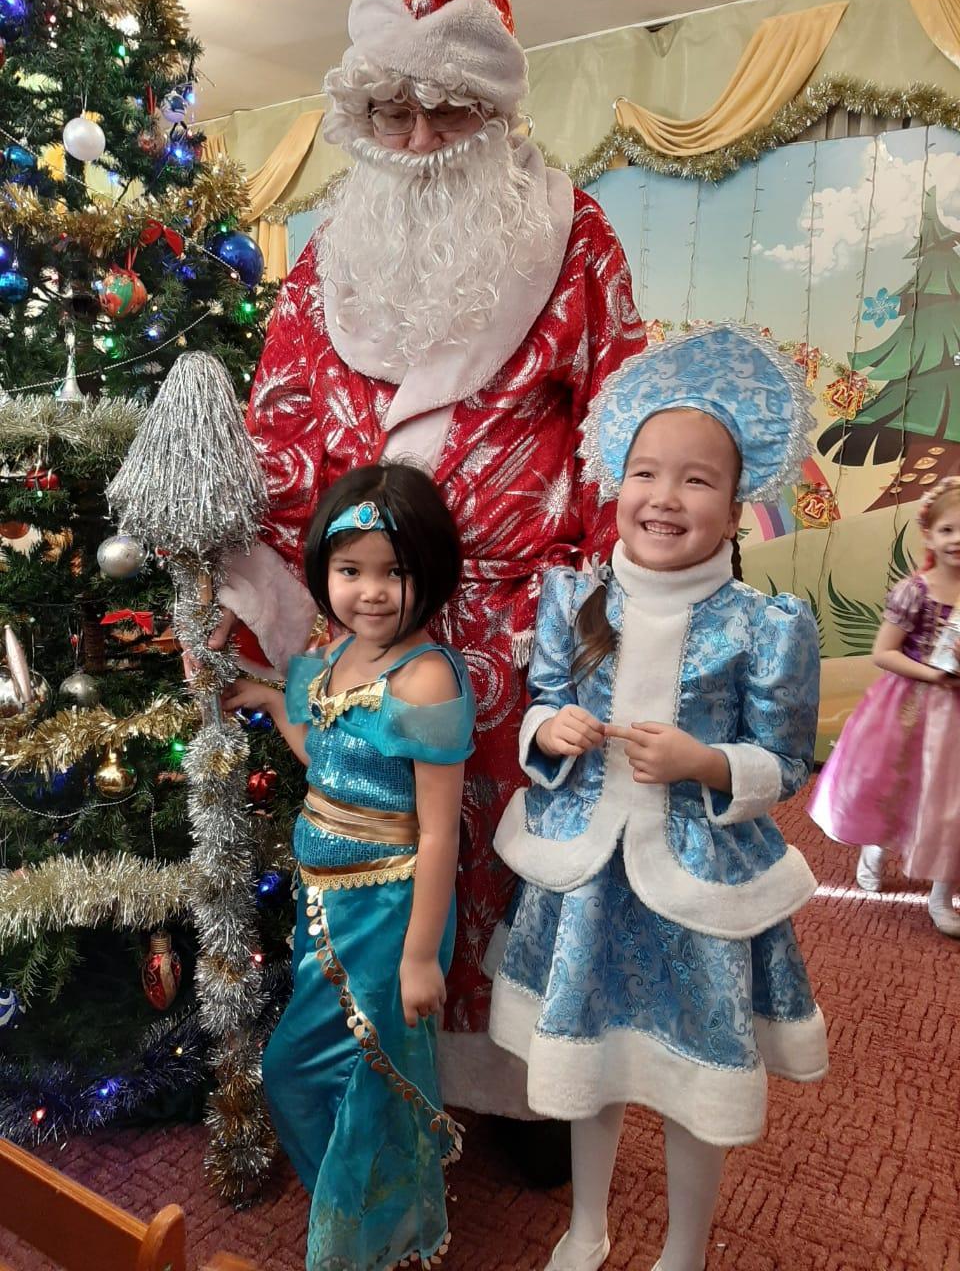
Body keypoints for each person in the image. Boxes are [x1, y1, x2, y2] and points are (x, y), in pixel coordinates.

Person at [212, 0, 647, 1135]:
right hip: (362, 620)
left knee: (519, 864)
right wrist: (263, 596)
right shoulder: (327, 257)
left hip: (523, 634)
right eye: (390, 113)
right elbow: (279, 427)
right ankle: (394, 1066)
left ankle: (524, 1084)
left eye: (446, 111)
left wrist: (612, 624)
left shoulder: (575, 235)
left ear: (494, 109)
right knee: (380, 855)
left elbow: (620, 428)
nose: (415, 140)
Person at [486, 325, 829, 1271]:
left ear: (737, 504)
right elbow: (542, 701)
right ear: (617, 482)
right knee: (587, 1063)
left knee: (691, 1082)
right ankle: (586, 1224)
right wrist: (546, 730)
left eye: (697, 480)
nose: (665, 498)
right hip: (586, 878)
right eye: (646, 473)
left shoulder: (765, 627)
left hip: (697, 888)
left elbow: (784, 762)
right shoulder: (574, 600)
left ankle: (684, 1250)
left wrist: (707, 763)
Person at [222, 462, 476, 1270]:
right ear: (324, 572)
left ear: (430, 571)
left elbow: (440, 834)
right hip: (322, 906)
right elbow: (326, 760)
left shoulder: (425, 678)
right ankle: (364, 1215)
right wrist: (273, 702)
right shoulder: (333, 657)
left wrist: (418, 958)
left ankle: (371, 1243)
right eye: (350, 570)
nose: (370, 592)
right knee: (299, 1070)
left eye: (393, 571)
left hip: (391, 913)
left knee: (369, 1079)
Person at [808, 477, 960, 937]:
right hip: (911, 708)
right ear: (929, 534)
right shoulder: (915, 591)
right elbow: (884, 653)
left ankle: (942, 894)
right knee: (896, 784)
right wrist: (934, 674)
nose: (957, 540)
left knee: (952, 802)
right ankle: (876, 845)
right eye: (948, 530)